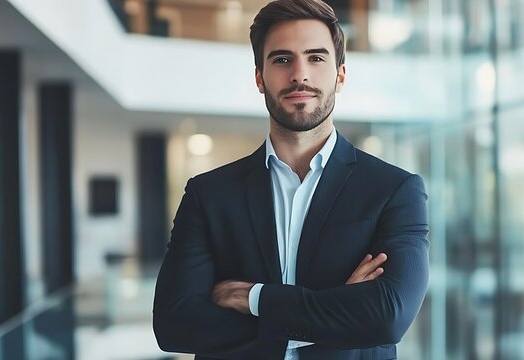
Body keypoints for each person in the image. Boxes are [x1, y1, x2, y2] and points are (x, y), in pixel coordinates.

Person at [152, 0, 429, 358]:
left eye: (316, 58)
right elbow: (174, 326)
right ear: (259, 78)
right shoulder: (209, 195)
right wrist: (338, 312)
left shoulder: (394, 190)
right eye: (282, 60)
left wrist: (252, 297)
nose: (300, 74)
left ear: (340, 74)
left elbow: (388, 317)